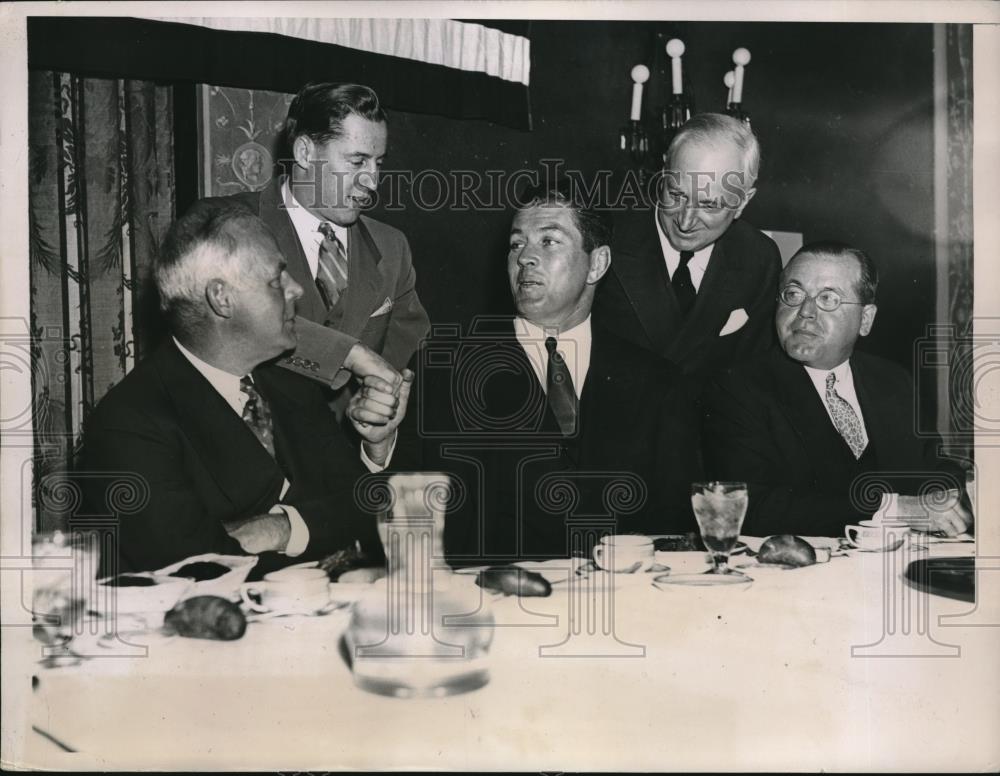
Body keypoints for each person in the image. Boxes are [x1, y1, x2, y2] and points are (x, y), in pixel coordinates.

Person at [80, 201, 409, 576]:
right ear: (222, 298)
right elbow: (198, 570)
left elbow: (368, 513)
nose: (297, 289)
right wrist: (321, 523)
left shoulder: (290, 383)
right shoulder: (129, 423)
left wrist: (284, 527)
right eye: (276, 280)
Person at [407, 181, 701, 564]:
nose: (525, 257)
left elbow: (676, 530)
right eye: (516, 244)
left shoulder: (659, 383)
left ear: (597, 263)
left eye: (549, 242)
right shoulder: (445, 370)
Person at [702, 242, 973, 537]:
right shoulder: (737, 388)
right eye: (793, 294)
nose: (805, 312)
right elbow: (749, 506)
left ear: (865, 320)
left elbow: (929, 467)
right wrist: (895, 510)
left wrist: (952, 493)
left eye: (828, 298)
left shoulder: (893, 381)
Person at [209, 82, 430, 400]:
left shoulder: (392, 247)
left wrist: (377, 411)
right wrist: (348, 353)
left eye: (378, 163)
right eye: (357, 162)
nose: (372, 181)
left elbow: (400, 363)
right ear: (304, 152)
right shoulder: (222, 224)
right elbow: (237, 321)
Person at [593, 113, 781, 394]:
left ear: (743, 202)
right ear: (664, 169)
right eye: (676, 195)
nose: (685, 221)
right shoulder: (604, 237)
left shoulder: (759, 259)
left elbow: (753, 378)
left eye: (709, 205)